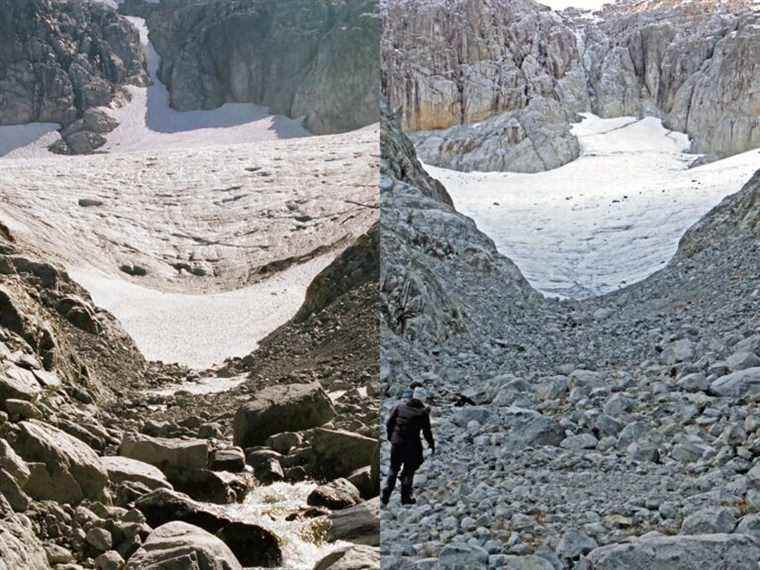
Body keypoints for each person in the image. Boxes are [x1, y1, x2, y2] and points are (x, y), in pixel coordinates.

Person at [381, 386, 435, 506]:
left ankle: (385, 495)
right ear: (423, 399)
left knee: (393, 469)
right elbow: (427, 432)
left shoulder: (400, 407)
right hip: (412, 446)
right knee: (409, 471)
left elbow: (389, 423)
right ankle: (405, 498)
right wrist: (431, 444)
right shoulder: (423, 413)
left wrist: (391, 437)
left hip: (396, 443)